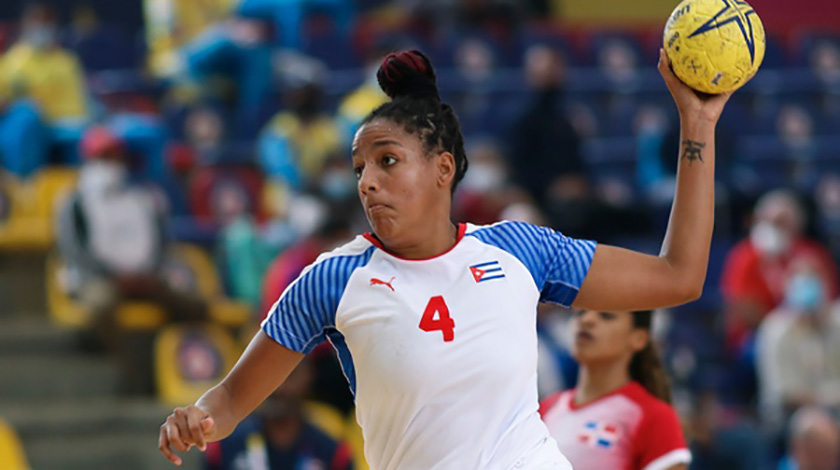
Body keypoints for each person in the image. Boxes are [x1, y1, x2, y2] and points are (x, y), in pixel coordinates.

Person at [160, 48, 735, 469]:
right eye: (359, 168)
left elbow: (678, 277)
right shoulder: (333, 280)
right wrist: (198, 417)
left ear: (442, 168)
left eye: (387, 161)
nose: (367, 182)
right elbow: (232, 399)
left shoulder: (519, 250)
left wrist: (698, 124)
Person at [539, 310, 691, 470]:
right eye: (580, 313)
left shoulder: (653, 415)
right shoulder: (545, 409)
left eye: (606, 316)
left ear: (638, 338)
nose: (586, 320)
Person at [720, 189, 838, 352]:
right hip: (757, 334)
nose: (776, 228)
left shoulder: (812, 254)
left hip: (810, 329)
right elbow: (740, 307)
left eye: (783, 222)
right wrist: (779, 324)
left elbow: (828, 298)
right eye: (771, 221)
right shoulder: (744, 256)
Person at [757, 261, 840, 428]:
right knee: (814, 425)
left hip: (833, 410)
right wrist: (829, 400)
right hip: (788, 416)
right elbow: (788, 395)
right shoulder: (776, 329)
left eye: (814, 283)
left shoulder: (834, 323)